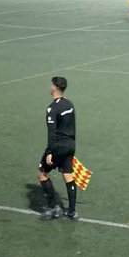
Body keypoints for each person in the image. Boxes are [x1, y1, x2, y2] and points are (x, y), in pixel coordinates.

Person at [38, 75, 78, 221]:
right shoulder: (69, 104)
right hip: (70, 145)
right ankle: (72, 211)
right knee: (68, 176)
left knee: (42, 174)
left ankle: (52, 208)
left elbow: (52, 132)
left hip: (58, 146)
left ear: (54, 87)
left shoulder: (52, 109)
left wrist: (50, 152)